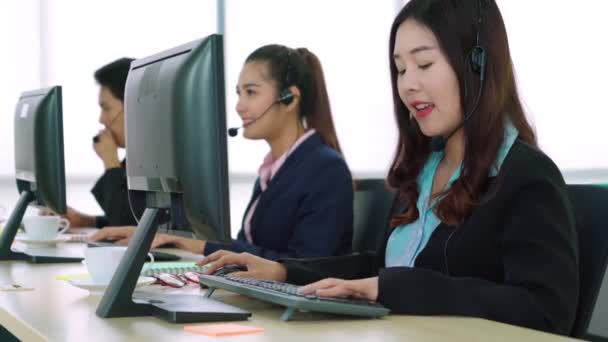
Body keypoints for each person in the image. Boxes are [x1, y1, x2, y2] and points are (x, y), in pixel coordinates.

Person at [197, 0, 579, 336]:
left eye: (424, 63)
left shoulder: (527, 176)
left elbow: (546, 312)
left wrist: (392, 288)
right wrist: (283, 272)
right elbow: (376, 268)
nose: (408, 84)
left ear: (477, 64)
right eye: (400, 69)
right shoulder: (423, 168)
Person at [90, 45, 354, 260]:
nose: (239, 106)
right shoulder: (275, 168)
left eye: (251, 92)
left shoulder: (324, 168)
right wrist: (170, 238)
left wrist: (200, 245)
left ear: (289, 98)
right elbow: (250, 247)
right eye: (239, 93)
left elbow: (307, 265)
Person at [52, 57, 139, 228]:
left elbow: (127, 221)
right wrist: (87, 221)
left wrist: (110, 161)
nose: (102, 119)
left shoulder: (165, 158)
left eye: (106, 108)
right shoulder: (136, 158)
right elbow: (138, 221)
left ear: (132, 106)